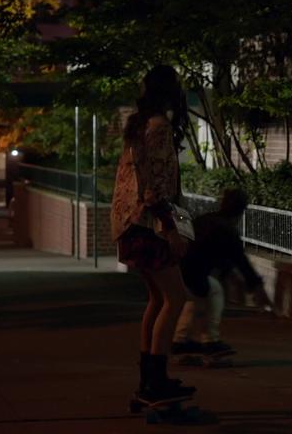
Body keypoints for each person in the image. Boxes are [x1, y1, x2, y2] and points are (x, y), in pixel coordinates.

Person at [111, 65, 194, 402]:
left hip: (130, 225)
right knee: (176, 298)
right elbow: (155, 187)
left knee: (157, 299)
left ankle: (149, 380)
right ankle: (156, 381)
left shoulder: (138, 125)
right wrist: (171, 230)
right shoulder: (159, 127)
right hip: (149, 225)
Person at [171, 188, 272, 356]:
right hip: (193, 271)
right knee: (215, 292)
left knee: (196, 298)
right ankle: (210, 340)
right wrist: (256, 287)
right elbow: (241, 261)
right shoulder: (227, 230)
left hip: (178, 268)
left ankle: (180, 340)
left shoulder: (207, 219)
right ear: (241, 211)